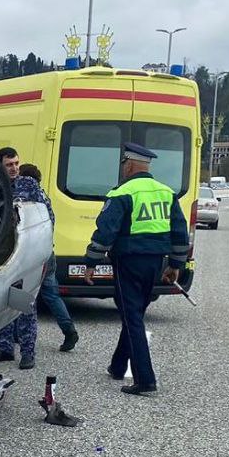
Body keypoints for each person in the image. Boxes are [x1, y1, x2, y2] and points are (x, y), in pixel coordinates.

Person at [84, 141, 190, 396]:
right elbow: (179, 232)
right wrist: (176, 265)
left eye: (123, 165)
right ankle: (118, 366)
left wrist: (91, 263)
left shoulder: (121, 193)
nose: (122, 169)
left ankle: (145, 380)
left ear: (129, 164)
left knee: (132, 317)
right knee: (135, 313)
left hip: (129, 262)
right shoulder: (165, 192)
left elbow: (105, 232)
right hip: (155, 263)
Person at [18, 162, 79, 352]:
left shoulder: (26, 197)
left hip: (31, 255)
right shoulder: (43, 197)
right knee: (52, 295)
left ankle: (20, 338)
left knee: (24, 296)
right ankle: (69, 331)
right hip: (47, 252)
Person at [0, 148, 38, 369]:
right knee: (1, 301)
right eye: (9, 164)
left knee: (26, 302)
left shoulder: (28, 185)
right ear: (0, 165)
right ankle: (5, 348)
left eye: (16, 163)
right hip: (0, 254)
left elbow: (45, 213)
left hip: (25, 253)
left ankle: (28, 352)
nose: (14, 168)